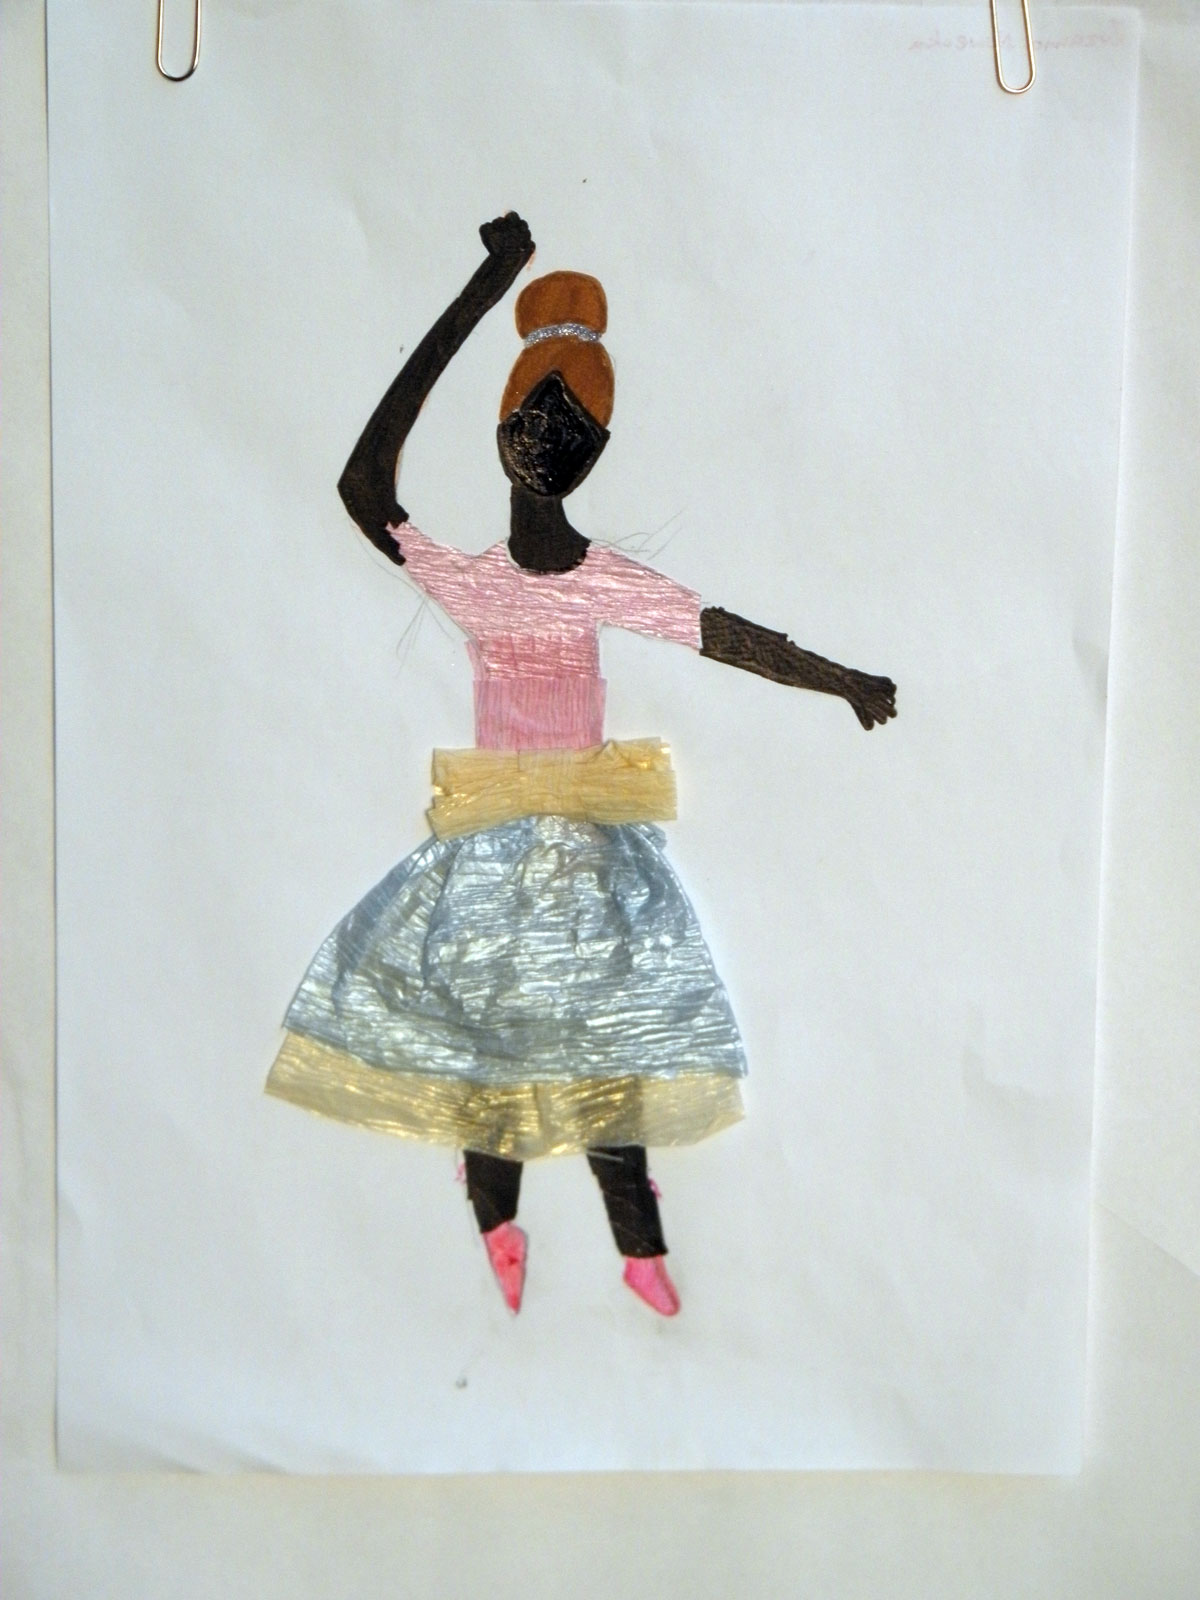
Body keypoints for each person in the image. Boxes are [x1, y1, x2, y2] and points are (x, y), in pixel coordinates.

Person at [266, 213, 896, 1317]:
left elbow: (725, 635)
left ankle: (624, 1242)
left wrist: (843, 679)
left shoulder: (587, 580)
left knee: (594, 1039)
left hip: (584, 851)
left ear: (589, 450)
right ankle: (502, 1221)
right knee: (498, 1037)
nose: (549, 443)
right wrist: (488, 283)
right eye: (538, 422)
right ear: (509, 432)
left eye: (569, 430)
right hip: (499, 848)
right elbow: (363, 485)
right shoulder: (484, 580)